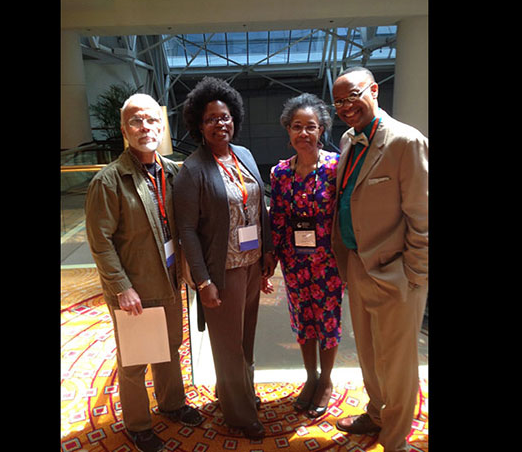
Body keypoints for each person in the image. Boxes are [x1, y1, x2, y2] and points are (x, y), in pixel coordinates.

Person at [84, 93, 203, 452]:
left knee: (169, 346)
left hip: (167, 279)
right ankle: (138, 424)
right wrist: (121, 287)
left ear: (161, 125)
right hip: (134, 287)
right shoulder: (108, 181)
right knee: (135, 360)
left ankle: (172, 403)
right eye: (137, 121)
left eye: (152, 120)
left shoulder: (171, 171)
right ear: (124, 129)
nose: (145, 127)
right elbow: (100, 241)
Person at [329, 67, 429, 451]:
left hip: (397, 271)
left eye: (352, 96)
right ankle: (375, 413)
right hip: (357, 263)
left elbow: (422, 216)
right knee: (369, 354)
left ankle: (395, 438)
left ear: (374, 90)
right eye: (338, 101)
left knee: (398, 363)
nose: (345, 107)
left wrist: (415, 277)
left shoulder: (406, 142)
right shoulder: (349, 140)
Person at [172, 76, 276, 440]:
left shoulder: (243, 156)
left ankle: (237, 392)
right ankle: (239, 414)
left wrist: (265, 255)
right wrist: (204, 281)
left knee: (245, 337)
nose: (221, 124)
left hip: (249, 265)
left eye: (226, 116)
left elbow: (258, 205)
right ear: (199, 126)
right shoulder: (192, 170)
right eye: (212, 119)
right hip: (222, 270)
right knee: (228, 344)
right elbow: (186, 231)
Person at [268, 93, 347, 418]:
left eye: (310, 127)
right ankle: (310, 377)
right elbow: (278, 220)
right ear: (288, 131)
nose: (303, 133)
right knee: (303, 322)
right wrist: (269, 262)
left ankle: (326, 380)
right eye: (297, 126)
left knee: (328, 321)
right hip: (295, 262)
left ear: (322, 129)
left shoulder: (335, 167)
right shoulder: (280, 173)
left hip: (328, 263)